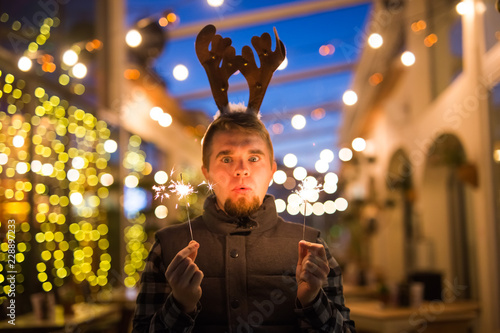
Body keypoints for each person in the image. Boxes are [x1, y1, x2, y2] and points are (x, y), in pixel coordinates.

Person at [132, 111, 356, 332]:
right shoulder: (169, 246)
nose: (241, 170)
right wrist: (180, 306)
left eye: (254, 158)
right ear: (207, 173)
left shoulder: (311, 249)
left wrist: (313, 301)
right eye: (226, 158)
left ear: (271, 171)